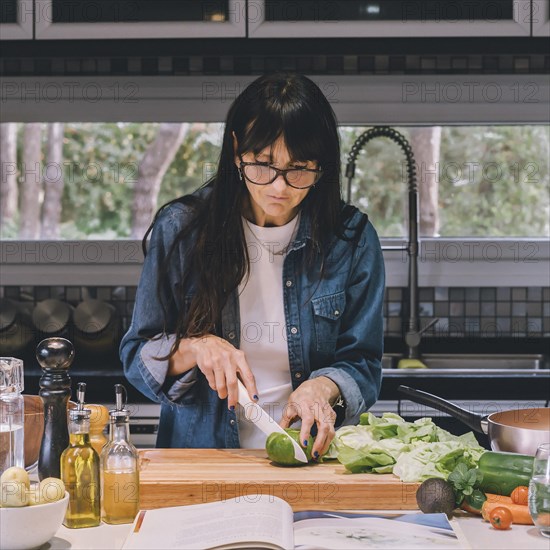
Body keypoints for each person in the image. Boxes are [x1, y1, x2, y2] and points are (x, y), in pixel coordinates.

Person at [120, 72, 385, 459]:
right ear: (235, 150)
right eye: (262, 165)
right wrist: (197, 347)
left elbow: (363, 363)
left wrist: (324, 386)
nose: (279, 187)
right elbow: (136, 357)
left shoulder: (352, 239)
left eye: (299, 169)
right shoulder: (181, 230)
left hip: (316, 462)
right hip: (205, 462)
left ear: (322, 166)